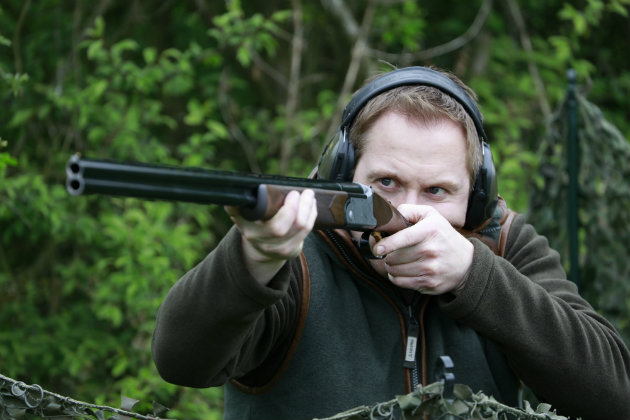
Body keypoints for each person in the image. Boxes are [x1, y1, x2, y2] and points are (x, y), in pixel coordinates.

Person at [151, 66, 630, 420]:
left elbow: (615, 393)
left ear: (477, 194)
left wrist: (474, 277)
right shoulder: (296, 252)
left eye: (437, 191)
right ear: (344, 171)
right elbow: (181, 360)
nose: (410, 211)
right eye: (386, 182)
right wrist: (252, 260)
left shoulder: (504, 244)